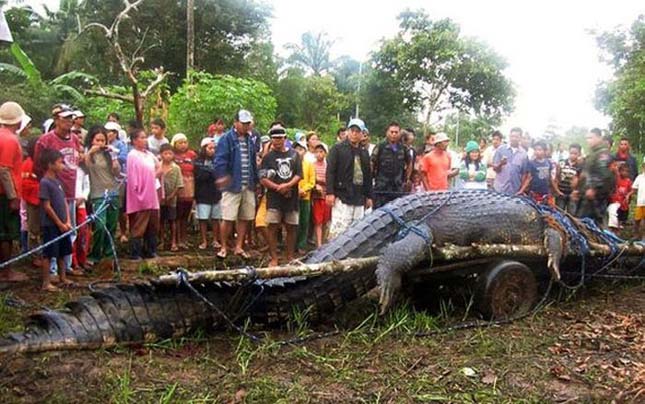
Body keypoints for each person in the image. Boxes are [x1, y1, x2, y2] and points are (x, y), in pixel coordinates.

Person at [34, 104, 84, 277]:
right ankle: (53, 270)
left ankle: (67, 266)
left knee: (70, 229)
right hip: (51, 190)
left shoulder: (75, 139)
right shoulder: (46, 140)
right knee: (53, 230)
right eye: (66, 118)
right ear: (56, 120)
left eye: (71, 118)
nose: (69, 121)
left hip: (69, 189)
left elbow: (78, 161)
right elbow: (37, 165)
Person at [213, 109, 259, 259]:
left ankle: (239, 246)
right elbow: (219, 161)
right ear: (235, 123)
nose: (246, 126)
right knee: (228, 217)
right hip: (232, 185)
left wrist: (256, 181)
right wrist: (222, 177)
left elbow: (253, 162)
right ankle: (224, 247)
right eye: (243, 123)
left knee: (245, 217)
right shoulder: (226, 139)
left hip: (248, 183)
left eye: (248, 123)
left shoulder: (250, 140)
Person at [259, 125, 302, 266]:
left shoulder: (295, 155)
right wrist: (278, 187)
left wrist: (288, 185)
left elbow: (298, 174)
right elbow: (263, 178)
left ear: (285, 138)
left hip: (292, 196)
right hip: (274, 197)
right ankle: (274, 257)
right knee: (272, 226)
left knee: (291, 227)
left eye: (279, 138)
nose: (277, 141)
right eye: (274, 138)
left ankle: (289, 256)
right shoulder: (268, 157)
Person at [326, 118, 372, 239]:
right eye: (352, 130)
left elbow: (367, 176)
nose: (354, 134)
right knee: (339, 230)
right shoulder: (337, 149)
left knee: (356, 232)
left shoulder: (364, 153)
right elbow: (330, 171)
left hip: (359, 196)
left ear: (363, 134)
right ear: (348, 131)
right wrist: (330, 192)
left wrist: (369, 196)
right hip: (342, 195)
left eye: (358, 131)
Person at [84, 126, 121, 268]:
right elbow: (85, 167)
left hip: (112, 191)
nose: (100, 143)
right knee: (100, 225)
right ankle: (95, 254)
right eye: (97, 140)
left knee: (111, 225)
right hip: (97, 193)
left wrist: (114, 159)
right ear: (92, 140)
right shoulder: (89, 153)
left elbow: (117, 173)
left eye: (103, 140)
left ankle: (109, 254)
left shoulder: (109, 153)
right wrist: (90, 153)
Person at [0, 101, 28, 282]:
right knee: (6, 234)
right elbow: (4, 170)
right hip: (4, 194)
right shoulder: (9, 140)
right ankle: (6, 272)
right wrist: (13, 196)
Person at [38, 149, 73, 291]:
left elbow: (64, 201)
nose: (62, 165)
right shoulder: (45, 183)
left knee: (63, 251)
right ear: (50, 164)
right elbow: (46, 206)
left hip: (63, 224)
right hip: (51, 224)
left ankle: (62, 277)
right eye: (60, 162)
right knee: (48, 253)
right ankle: (46, 282)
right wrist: (59, 223)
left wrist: (68, 220)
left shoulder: (58, 182)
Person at [126, 128, 161, 259]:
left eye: (145, 137)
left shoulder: (149, 154)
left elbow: (158, 167)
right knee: (140, 223)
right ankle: (135, 252)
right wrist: (137, 191)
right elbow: (132, 176)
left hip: (152, 192)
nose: (145, 140)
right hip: (140, 194)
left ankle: (151, 250)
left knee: (153, 223)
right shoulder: (132, 155)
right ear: (135, 140)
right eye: (141, 137)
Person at [576, 128, 614, 225]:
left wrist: (594, 188)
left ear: (599, 138)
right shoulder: (593, 154)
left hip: (596, 196)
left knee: (594, 222)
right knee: (582, 222)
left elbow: (604, 174)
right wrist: (578, 188)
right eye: (587, 138)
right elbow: (587, 173)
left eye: (591, 138)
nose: (588, 140)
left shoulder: (602, 153)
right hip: (587, 194)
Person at [371, 121, 410, 208]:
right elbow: (372, 163)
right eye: (391, 132)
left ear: (399, 133)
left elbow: (409, 163)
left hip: (397, 187)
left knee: (396, 213)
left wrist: (407, 179)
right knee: (379, 214)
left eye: (396, 132)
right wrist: (372, 178)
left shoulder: (403, 148)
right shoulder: (380, 146)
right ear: (387, 132)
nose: (394, 134)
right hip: (382, 187)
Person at [194, 137, 222, 250]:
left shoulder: (218, 160)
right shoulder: (198, 161)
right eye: (210, 148)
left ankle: (215, 240)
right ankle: (204, 241)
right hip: (202, 194)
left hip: (216, 193)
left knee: (216, 218)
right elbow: (199, 177)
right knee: (203, 219)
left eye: (214, 148)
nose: (212, 150)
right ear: (204, 148)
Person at [171, 133, 196, 249]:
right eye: (180, 143)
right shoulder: (172, 156)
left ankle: (184, 240)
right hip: (178, 188)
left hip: (190, 187)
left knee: (186, 215)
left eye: (185, 142)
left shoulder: (192, 155)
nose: (183, 145)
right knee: (177, 215)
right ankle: (176, 240)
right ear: (174, 144)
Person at [158, 143, 183, 252]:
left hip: (172, 199)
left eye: (170, 153)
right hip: (159, 199)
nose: (168, 156)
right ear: (161, 155)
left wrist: (172, 195)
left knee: (172, 220)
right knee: (161, 220)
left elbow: (179, 184)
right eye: (165, 153)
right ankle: (161, 241)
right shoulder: (158, 166)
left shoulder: (176, 168)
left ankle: (173, 242)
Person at [21, 137, 41, 267]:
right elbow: (26, 184)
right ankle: (34, 255)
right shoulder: (28, 164)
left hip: (43, 200)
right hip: (33, 200)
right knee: (33, 229)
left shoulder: (42, 163)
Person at [493, 127, 529, 195]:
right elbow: (495, 169)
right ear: (509, 136)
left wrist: (521, 189)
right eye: (512, 136)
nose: (514, 138)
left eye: (516, 137)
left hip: (514, 191)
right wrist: (501, 164)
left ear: (520, 138)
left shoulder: (524, 154)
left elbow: (524, 173)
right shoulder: (501, 149)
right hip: (499, 189)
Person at [294, 139, 315, 253]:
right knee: (293, 221)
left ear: (305, 151)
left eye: (301, 149)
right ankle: (292, 244)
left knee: (304, 221)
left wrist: (304, 189)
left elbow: (312, 181)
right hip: (293, 196)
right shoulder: (291, 163)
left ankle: (302, 244)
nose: (298, 151)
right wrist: (297, 189)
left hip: (305, 196)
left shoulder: (309, 164)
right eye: (296, 149)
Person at [311, 143, 331, 247]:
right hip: (317, 197)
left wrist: (320, 180)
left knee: (325, 220)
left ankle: (323, 242)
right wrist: (316, 183)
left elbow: (330, 179)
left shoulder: (328, 165)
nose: (319, 154)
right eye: (317, 152)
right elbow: (311, 179)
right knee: (318, 221)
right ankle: (318, 244)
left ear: (325, 153)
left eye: (321, 152)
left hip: (327, 196)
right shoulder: (312, 165)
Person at [556, 144, 582, 213]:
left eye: (575, 153)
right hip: (561, 192)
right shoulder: (562, 163)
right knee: (559, 213)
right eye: (571, 153)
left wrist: (577, 191)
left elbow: (582, 180)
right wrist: (557, 191)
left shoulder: (580, 165)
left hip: (573, 194)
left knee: (572, 214)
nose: (573, 155)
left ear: (579, 154)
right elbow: (557, 177)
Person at [607, 164, 633, 232]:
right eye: (623, 171)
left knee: (623, 215)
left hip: (624, 202)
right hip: (616, 201)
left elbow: (632, 190)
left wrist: (628, 195)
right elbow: (616, 174)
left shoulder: (628, 181)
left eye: (627, 171)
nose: (625, 173)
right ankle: (615, 228)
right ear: (620, 171)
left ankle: (619, 227)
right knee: (615, 213)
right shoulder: (618, 179)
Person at [631, 159, 645, 240]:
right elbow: (634, 188)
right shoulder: (639, 177)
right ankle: (635, 235)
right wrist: (629, 195)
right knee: (637, 219)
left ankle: (643, 237)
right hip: (640, 202)